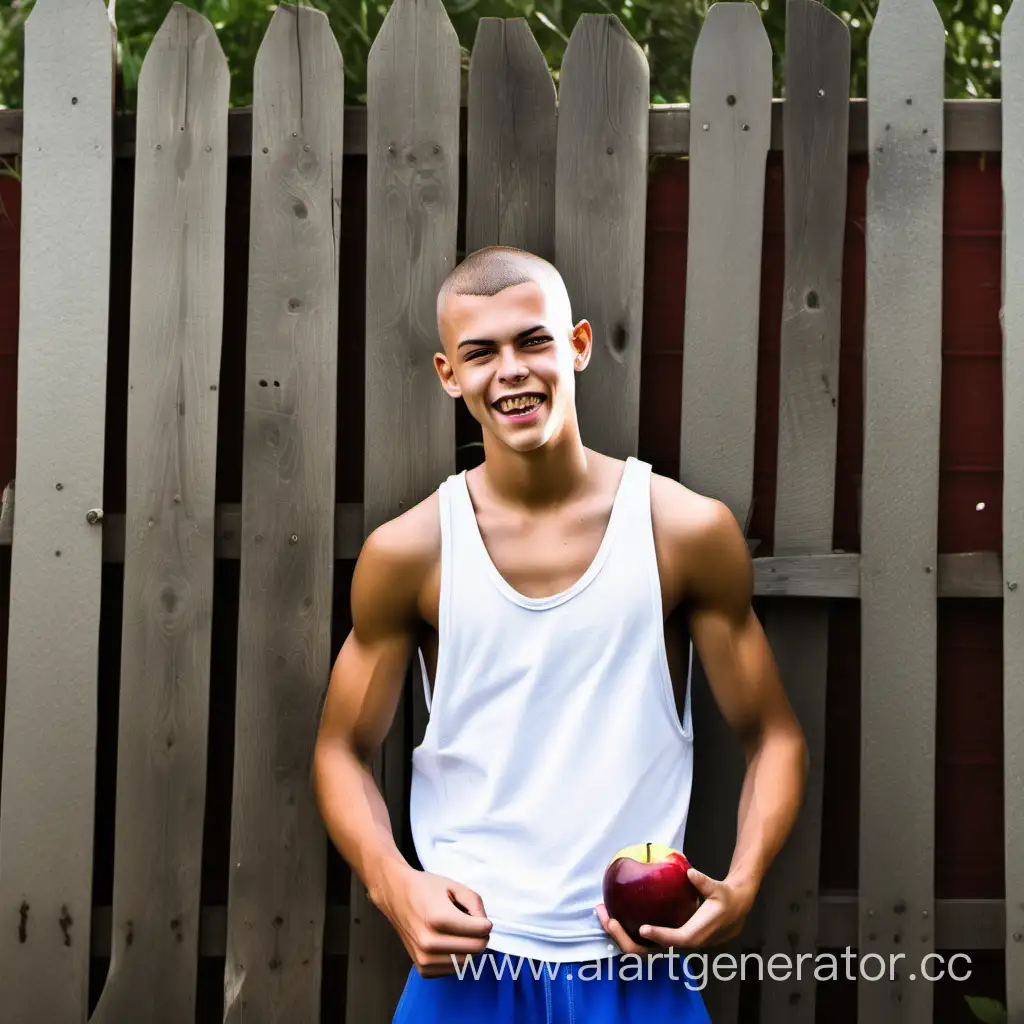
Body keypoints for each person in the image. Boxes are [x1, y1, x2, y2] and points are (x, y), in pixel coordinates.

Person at [312, 245, 808, 1022]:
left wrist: (742, 883)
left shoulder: (682, 530)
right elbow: (340, 750)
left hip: (637, 960)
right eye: (479, 353)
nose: (509, 369)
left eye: (532, 340)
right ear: (449, 375)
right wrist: (392, 881)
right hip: (469, 969)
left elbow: (772, 734)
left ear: (576, 345)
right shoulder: (410, 552)